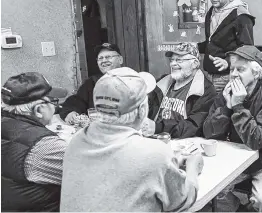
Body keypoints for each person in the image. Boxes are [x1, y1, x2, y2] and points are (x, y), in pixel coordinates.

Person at [60, 67, 204, 212]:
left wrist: (168, 164)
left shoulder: (76, 141)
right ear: (142, 110)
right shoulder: (155, 153)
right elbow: (182, 201)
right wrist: (192, 168)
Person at [203, 46, 262, 212]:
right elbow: (209, 132)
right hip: (240, 157)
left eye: (241, 69)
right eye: (232, 69)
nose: (234, 74)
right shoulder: (226, 91)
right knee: (211, 191)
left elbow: (257, 140)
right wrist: (225, 108)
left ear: (256, 73)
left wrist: (237, 106)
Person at [1, 72, 68, 211]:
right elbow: (91, 176)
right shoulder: (44, 147)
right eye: (53, 101)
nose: (56, 107)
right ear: (38, 110)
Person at [198, 0, 255, 92]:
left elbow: (248, 50)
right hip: (208, 75)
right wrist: (194, 47)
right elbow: (214, 42)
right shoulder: (211, 12)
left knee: (225, 109)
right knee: (210, 110)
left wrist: (228, 62)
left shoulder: (241, 16)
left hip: (228, 77)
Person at [148, 42, 216, 138]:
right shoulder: (161, 83)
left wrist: (158, 127)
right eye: (172, 60)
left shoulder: (205, 90)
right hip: (153, 138)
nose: (173, 64)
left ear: (195, 64)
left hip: (183, 145)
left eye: (179, 60)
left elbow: (194, 127)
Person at [59, 42, 123, 124]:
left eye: (108, 57)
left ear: (120, 59)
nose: (104, 61)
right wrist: (69, 113)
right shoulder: (92, 82)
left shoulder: (133, 80)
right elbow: (76, 102)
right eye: (100, 58)